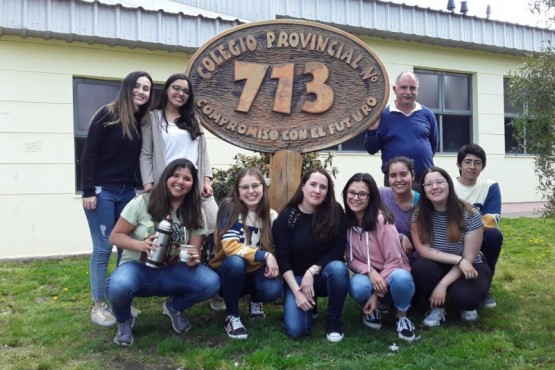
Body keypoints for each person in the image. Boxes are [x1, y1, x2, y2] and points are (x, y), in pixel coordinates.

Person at [107, 158, 220, 346]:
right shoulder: (143, 202)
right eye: (175, 176)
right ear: (166, 177)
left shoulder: (195, 211)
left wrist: (194, 259)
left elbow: (194, 250)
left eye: (187, 178)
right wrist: (141, 246)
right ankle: (124, 319)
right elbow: (115, 236)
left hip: (173, 271)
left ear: (193, 184)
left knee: (211, 282)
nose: (180, 182)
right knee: (118, 286)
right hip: (138, 268)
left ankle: (174, 307)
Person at [139, 73, 223, 310]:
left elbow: (203, 153)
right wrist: (149, 184)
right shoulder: (153, 119)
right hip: (167, 188)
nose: (180, 94)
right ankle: (154, 283)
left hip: (195, 188)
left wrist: (206, 179)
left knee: (216, 230)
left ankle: (216, 286)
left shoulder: (193, 119)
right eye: (176, 88)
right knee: (168, 234)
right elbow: (146, 153)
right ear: (166, 90)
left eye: (186, 91)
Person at [81, 71, 153, 327]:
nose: (142, 92)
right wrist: (88, 190)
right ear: (127, 87)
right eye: (138, 86)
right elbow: (89, 153)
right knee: (103, 248)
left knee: (126, 246)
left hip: (127, 193)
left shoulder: (140, 120)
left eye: (146, 88)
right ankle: (98, 306)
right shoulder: (107, 114)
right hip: (102, 191)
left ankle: (120, 299)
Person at [273, 168, 350, 342]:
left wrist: (313, 270)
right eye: (312, 184)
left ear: (327, 191)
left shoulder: (335, 211)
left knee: (338, 269)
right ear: (302, 186)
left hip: (323, 275)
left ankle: (333, 319)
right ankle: (309, 303)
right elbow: (283, 259)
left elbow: (338, 250)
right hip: (297, 279)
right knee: (296, 330)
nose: (317, 190)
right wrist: (297, 292)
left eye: (323, 187)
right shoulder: (287, 217)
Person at [411, 167, 492, 327]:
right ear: (424, 190)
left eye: (439, 182)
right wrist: (458, 260)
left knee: (464, 298)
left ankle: (464, 303)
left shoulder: (470, 212)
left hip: (471, 266)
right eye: (429, 184)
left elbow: (469, 258)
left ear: (449, 184)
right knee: (421, 268)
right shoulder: (419, 213)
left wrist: (443, 284)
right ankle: (438, 308)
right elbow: (424, 250)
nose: (435, 187)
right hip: (440, 264)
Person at [208, 167, 282, 340]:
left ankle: (255, 301)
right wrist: (265, 256)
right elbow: (230, 246)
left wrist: (273, 259)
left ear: (263, 188)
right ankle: (232, 316)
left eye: (255, 186)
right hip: (228, 271)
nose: (251, 191)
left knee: (273, 290)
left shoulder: (271, 216)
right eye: (245, 187)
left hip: (254, 271)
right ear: (238, 191)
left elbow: (277, 247)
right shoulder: (229, 208)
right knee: (236, 262)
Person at [343, 173, 417, 342]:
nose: (356, 198)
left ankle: (402, 316)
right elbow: (351, 259)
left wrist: (376, 293)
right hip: (370, 275)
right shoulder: (346, 223)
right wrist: (370, 272)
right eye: (351, 192)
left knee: (401, 278)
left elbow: (395, 261)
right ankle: (371, 310)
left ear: (371, 197)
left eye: (362, 194)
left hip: (394, 273)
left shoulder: (382, 220)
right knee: (357, 286)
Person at [364, 71, 438, 190]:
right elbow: (371, 149)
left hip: (424, 179)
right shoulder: (382, 115)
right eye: (403, 87)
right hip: (395, 180)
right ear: (395, 89)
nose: (408, 92)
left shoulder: (428, 114)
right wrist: (372, 131)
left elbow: (433, 145)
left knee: (425, 209)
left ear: (418, 90)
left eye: (412, 88)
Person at [454, 144, 503, 308]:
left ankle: (485, 287)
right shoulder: (448, 186)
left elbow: (493, 219)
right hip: (451, 235)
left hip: (479, 235)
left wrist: (467, 228)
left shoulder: (490, 186)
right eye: (467, 162)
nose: (472, 167)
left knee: (495, 236)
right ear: (459, 165)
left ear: (483, 167)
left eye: (477, 163)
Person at [379, 156, 420, 263]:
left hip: (414, 260)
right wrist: (399, 237)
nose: (398, 180)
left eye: (403, 174)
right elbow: (370, 223)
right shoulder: (381, 194)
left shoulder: (422, 202)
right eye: (393, 175)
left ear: (413, 176)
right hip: (383, 258)